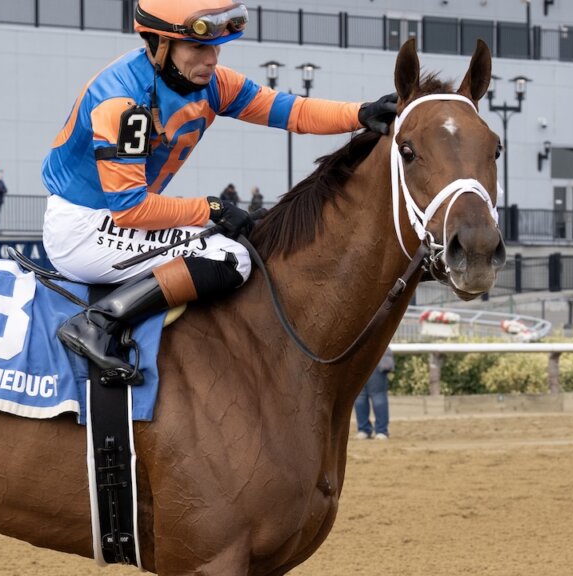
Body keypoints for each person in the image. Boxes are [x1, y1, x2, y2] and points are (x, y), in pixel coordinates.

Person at [40, 0, 397, 383]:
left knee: (238, 244)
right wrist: (211, 208)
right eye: (198, 48)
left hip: (115, 220)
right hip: (85, 228)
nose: (211, 60)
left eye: (215, 48)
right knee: (231, 258)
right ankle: (97, 322)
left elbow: (289, 111)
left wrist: (359, 113)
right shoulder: (122, 104)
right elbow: (131, 210)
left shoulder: (213, 84)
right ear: (160, 45)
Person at [355, 348, 395, 440]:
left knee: (360, 397)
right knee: (377, 397)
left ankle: (364, 429)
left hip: (358, 358)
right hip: (376, 357)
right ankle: (381, 430)